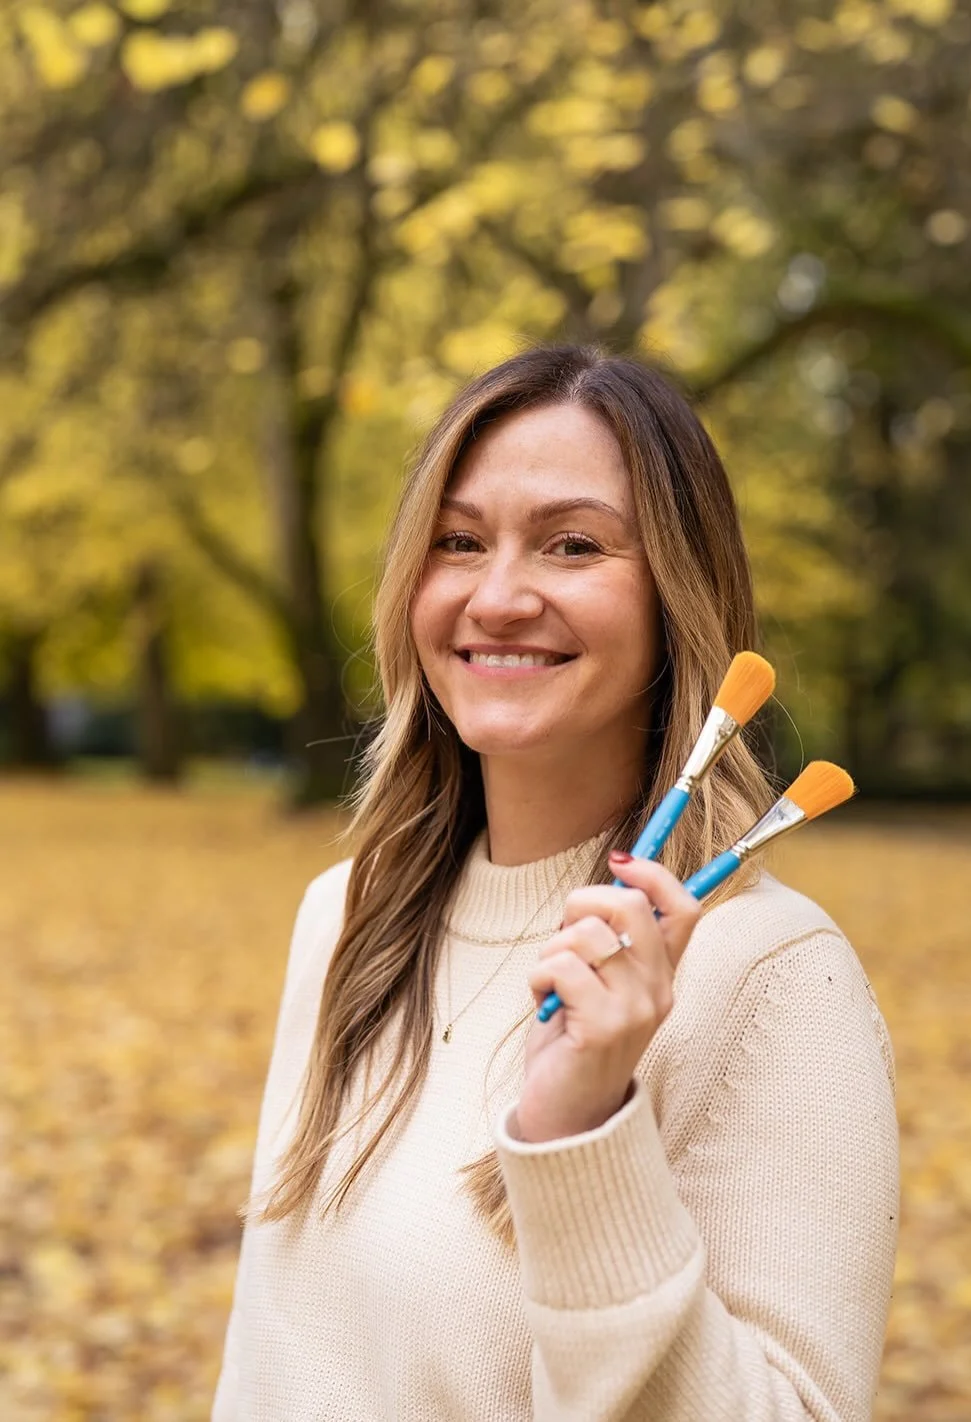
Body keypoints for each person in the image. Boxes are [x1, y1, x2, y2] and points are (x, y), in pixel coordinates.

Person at [211, 345, 899, 1421]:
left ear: (678, 594)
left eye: (571, 545)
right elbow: (271, 1360)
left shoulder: (768, 976)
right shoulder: (346, 914)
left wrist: (583, 1136)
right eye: (458, 541)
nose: (497, 596)